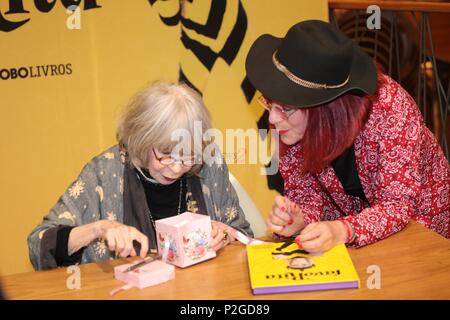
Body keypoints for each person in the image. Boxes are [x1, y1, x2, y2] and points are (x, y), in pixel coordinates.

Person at [245, 20, 450, 253]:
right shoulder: (291, 126)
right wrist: (300, 219)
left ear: (325, 108)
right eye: (268, 102)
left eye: (286, 108)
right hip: (348, 239)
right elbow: (306, 192)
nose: (272, 118)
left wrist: (343, 230)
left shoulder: (391, 109)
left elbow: (398, 205)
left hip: (420, 229)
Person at [28, 82, 253, 270]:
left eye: (188, 155)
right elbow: (39, 245)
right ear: (141, 140)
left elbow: (241, 232)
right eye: (165, 154)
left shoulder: (208, 163)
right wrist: (100, 228)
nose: (176, 168)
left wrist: (224, 236)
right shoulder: (104, 172)